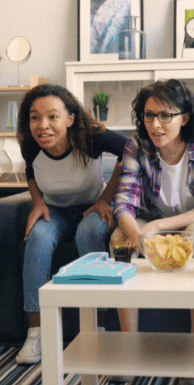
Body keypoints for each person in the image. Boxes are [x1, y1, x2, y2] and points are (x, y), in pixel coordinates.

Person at [110, 79, 194, 385]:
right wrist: (139, 239)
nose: (155, 124)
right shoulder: (137, 144)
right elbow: (123, 204)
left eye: (165, 116)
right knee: (118, 240)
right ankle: (129, 345)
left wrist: (158, 228)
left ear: (185, 117)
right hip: (148, 218)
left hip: (190, 220)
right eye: (149, 115)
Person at [15, 84, 127, 365]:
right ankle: (36, 332)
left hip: (92, 208)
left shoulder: (91, 138)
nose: (43, 126)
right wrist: (37, 201)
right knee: (38, 237)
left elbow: (131, 150)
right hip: (56, 211)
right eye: (35, 117)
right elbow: (30, 171)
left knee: (89, 231)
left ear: (70, 118)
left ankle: (96, 328)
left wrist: (106, 198)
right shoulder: (30, 142)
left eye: (53, 116)